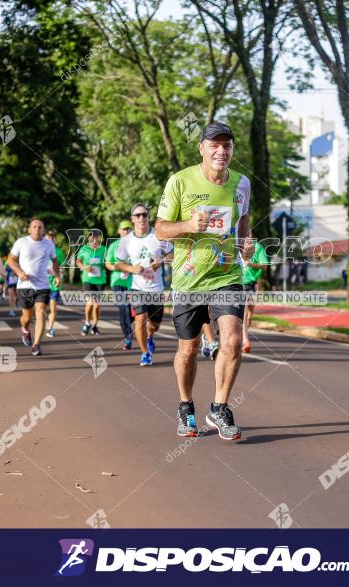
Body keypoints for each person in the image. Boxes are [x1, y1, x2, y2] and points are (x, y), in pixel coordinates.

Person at [155, 122, 254, 440]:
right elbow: (160, 229)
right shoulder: (180, 181)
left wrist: (246, 241)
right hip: (188, 280)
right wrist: (187, 224)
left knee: (231, 341)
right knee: (189, 348)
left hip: (227, 275)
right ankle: (185, 407)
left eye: (227, 145)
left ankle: (220, 408)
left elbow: (244, 220)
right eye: (214, 145)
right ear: (201, 148)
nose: (221, 151)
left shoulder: (242, 183)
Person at [113, 204, 174, 366]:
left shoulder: (158, 236)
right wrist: (132, 268)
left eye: (144, 214)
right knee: (140, 318)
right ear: (132, 219)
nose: (141, 218)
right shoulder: (126, 241)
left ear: (148, 217)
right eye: (137, 215)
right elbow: (118, 264)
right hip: (137, 287)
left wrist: (161, 261)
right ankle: (145, 353)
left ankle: (150, 336)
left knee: (154, 325)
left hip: (156, 288)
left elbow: (171, 253)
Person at [7, 218, 59, 356]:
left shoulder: (49, 244)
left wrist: (57, 276)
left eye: (40, 227)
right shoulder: (21, 242)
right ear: (29, 229)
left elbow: (55, 261)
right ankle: (25, 329)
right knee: (27, 317)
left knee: (41, 312)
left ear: (43, 230)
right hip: (24, 286)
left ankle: (36, 345)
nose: (37, 229)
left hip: (43, 285)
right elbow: (10, 260)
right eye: (34, 227)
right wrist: (19, 272)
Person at [105, 220, 135, 350]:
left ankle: (130, 322)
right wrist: (117, 267)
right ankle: (128, 337)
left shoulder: (136, 245)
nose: (127, 231)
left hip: (133, 283)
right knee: (123, 308)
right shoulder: (114, 246)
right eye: (124, 229)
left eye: (129, 229)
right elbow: (108, 264)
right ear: (119, 231)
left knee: (130, 311)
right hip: (118, 282)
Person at [76, 229, 107, 335]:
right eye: (91, 237)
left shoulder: (103, 249)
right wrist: (85, 267)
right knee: (90, 302)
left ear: (99, 238)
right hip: (88, 279)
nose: (93, 239)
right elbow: (78, 261)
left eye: (95, 236)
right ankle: (87, 323)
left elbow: (108, 263)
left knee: (97, 305)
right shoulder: (84, 249)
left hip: (100, 279)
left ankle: (95, 325)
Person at [241, 240, 269, 353]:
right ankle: (245, 339)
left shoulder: (258, 248)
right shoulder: (235, 245)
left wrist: (250, 264)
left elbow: (265, 266)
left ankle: (244, 334)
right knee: (243, 312)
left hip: (251, 283)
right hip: (239, 282)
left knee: (249, 314)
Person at [46, 229, 66, 338]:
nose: (51, 239)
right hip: (41, 284)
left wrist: (57, 273)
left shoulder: (59, 252)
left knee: (53, 308)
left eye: (53, 238)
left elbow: (62, 267)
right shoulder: (40, 250)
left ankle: (50, 328)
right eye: (49, 238)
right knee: (41, 308)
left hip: (54, 284)